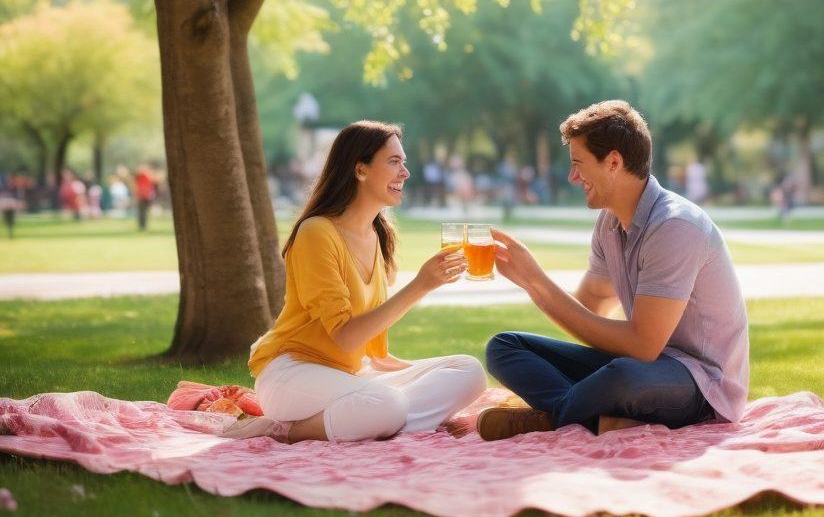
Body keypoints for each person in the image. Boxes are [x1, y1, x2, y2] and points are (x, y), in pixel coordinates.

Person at [476, 100, 748, 441]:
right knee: (505, 347)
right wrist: (531, 284)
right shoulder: (610, 223)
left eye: (578, 165)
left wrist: (536, 281)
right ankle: (591, 417)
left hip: (701, 383)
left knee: (620, 376)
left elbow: (643, 346)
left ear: (614, 162)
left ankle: (551, 417)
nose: (573, 177)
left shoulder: (675, 226)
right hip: (646, 366)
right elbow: (591, 304)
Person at [226, 120, 486, 443]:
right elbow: (346, 338)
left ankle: (379, 422)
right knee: (386, 404)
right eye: (394, 162)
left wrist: (425, 373)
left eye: (403, 163)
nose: (405, 173)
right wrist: (422, 285)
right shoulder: (316, 233)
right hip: (291, 374)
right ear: (360, 170)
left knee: (469, 371)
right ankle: (283, 430)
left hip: (349, 376)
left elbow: (375, 354)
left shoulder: (377, 238)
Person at [134, 165, 157, 231]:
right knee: (143, 212)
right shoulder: (144, 175)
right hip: (143, 196)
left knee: (143, 212)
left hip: (145, 196)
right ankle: (143, 226)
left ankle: (143, 226)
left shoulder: (143, 176)